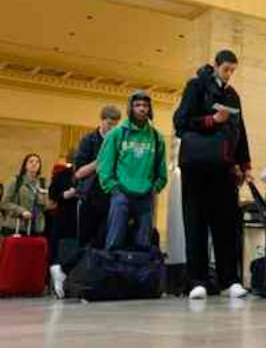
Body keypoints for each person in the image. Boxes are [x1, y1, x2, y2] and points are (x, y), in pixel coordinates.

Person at [173, 50, 252, 300]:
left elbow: (240, 130)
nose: (229, 74)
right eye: (226, 69)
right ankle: (197, 280)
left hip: (224, 168)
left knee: (227, 224)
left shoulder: (233, 95)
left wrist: (245, 164)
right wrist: (213, 119)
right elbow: (181, 121)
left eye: (232, 70)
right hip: (197, 167)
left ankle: (230, 280)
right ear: (216, 65)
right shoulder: (196, 87)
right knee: (195, 221)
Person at [98, 91, 167, 251]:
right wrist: (113, 188)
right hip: (121, 194)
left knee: (143, 244)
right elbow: (105, 164)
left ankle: (139, 275)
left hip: (146, 195)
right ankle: (111, 274)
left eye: (145, 105)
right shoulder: (117, 133)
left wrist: (155, 187)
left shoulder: (156, 137)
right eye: (137, 105)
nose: (142, 109)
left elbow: (161, 170)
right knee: (114, 241)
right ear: (131, 108)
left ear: (150, 109)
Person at [73, 105, 122, 248]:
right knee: (86, 242)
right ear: (101, 121)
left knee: (105, 242)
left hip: (112, 198)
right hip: (89, 197)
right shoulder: (88, 140)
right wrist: (102, 160)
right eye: (109, 124)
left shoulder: (119, 143)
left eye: (116, 125)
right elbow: (78, 173)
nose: (112, 129)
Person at [47, 152, 78, 299]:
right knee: (60, 247)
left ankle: (72, 283)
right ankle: (59, 276)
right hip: (65, 215)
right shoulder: (62, 174)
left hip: (82, 217)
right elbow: (52, 193)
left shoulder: (91, 174)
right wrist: (64, 195)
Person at [1, 154, 47, 236]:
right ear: (25, 165)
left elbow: (46, 205)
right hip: (15, 225)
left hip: (36, 227)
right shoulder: (16, 181)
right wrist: (21, 211)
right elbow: (4, 203)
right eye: (31, 161)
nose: (34, 164)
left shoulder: (43, 183)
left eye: (37, 162)